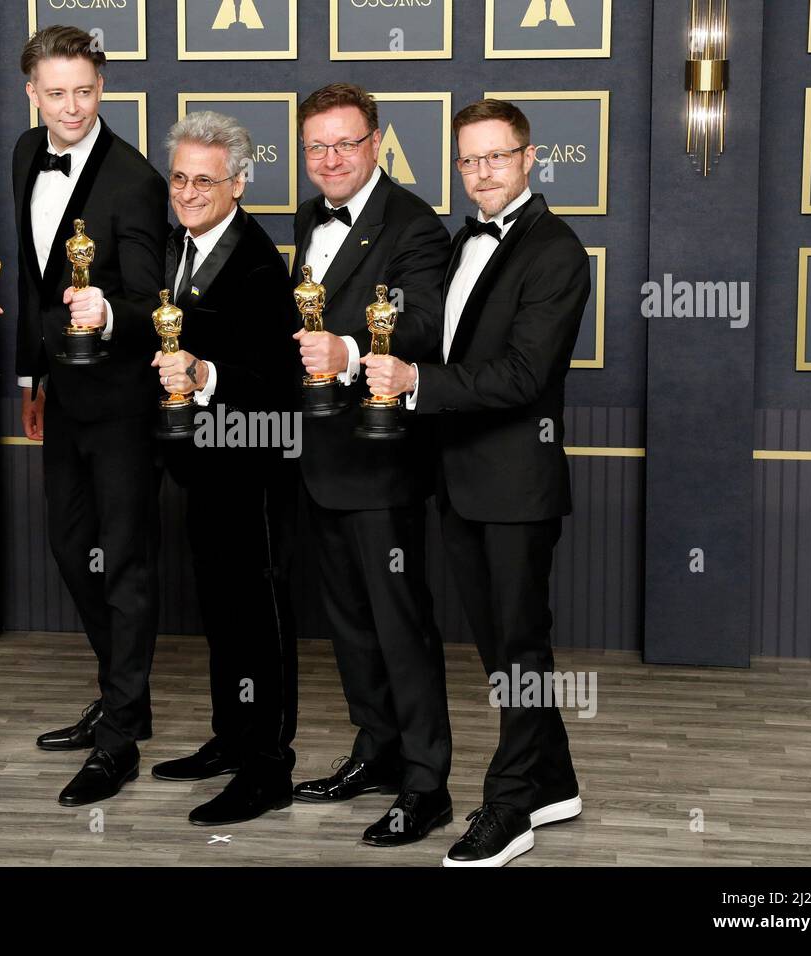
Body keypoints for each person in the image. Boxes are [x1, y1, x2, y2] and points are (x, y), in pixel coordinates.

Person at [362, 99, 588, 867]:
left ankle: (510, 806)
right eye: (469, 160)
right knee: (501, 648)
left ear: (529, 158)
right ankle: (553, 780)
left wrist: (415, 381)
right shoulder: (463, 242)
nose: (482, 172)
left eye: (497, 157)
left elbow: (524, 374)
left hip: (518, 486)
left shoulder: (556, 250)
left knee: (519, 649)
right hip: (459, 481)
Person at [289, 83, 454, 847]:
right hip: (321, 456)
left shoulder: (416, 224)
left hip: (383, 461)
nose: (330, 159)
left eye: (345, 143)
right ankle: (376, 750)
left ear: (377, 142)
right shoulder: (306, 216)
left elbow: (421, 323)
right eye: (316, 145)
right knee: (350, 626)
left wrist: (351, 351)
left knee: (400, 628)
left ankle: (427, 784)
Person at [12, 25, 168, 806]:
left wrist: (109, 309)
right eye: (57, 91)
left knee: (126, 564)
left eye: (85, 90)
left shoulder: (135, 180)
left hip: (122, 401)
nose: (72, 106)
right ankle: (120, 695)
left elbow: (152, 304)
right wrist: (29, 377)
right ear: (31, 92)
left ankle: (120, 738)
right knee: (72, 549)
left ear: (101, 88)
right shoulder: (21, 154)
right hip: (62, 397)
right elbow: (35, 285)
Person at [147, 111, 299, 825]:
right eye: (179, 176)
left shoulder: (259, 263)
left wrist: (204, 371)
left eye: (203, 179)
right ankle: (232, 736)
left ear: (237, 184)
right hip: (205, 467)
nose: (186, 190)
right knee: (221, 611)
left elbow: (275, 382)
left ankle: (267, 764)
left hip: (252, 468)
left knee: (255, 620)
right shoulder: (182, 244)